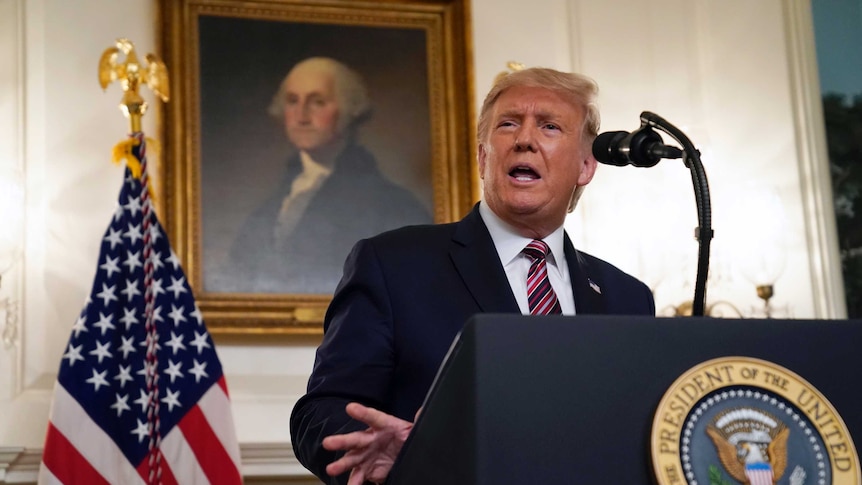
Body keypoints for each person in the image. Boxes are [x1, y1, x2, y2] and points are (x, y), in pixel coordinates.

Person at [290, 67, 656, 484]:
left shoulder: (627, 297)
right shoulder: (393, 263)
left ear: (586, 166)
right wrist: (385, 452)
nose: (524, 139)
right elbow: (318, 412)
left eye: (550, 126)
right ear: (484, 157)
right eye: (508, 124)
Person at [227, 57, 432, 294]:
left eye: (317, 102)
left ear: (347, 110)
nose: (301, 115)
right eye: (293, 101)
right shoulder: (271, 207)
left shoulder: (393, 206)